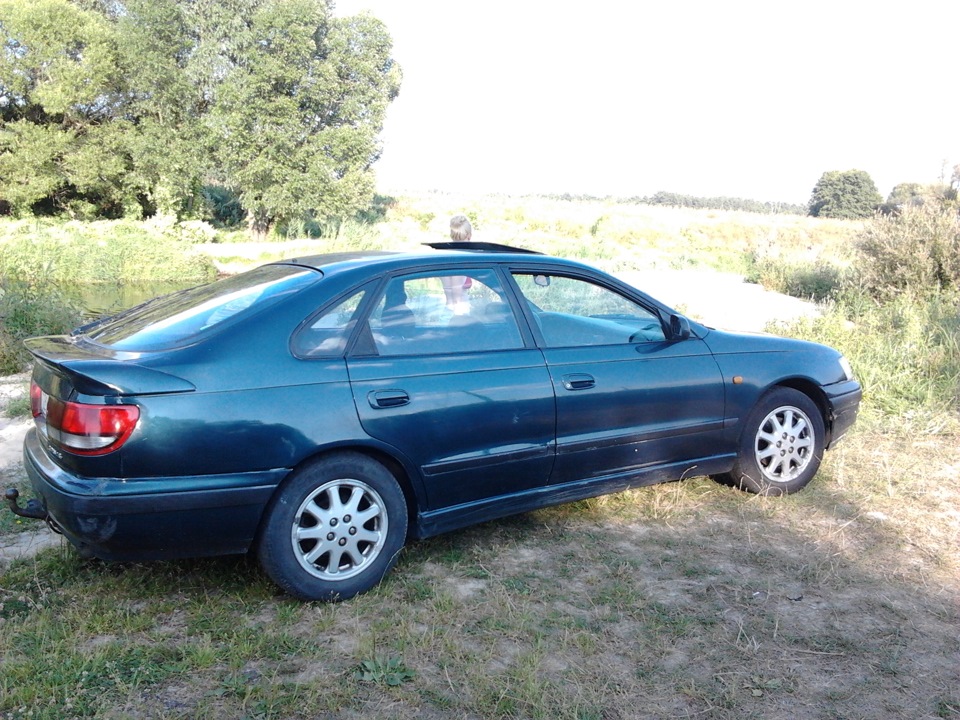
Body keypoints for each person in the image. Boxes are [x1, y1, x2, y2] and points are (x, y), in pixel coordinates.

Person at [442, 214, 473, 311]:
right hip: (459, 310)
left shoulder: (445, 257)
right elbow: (457, 300)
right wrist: (460, 315)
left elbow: (448, 291)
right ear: (469, 236)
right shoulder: (460, 260)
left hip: (448, 308)